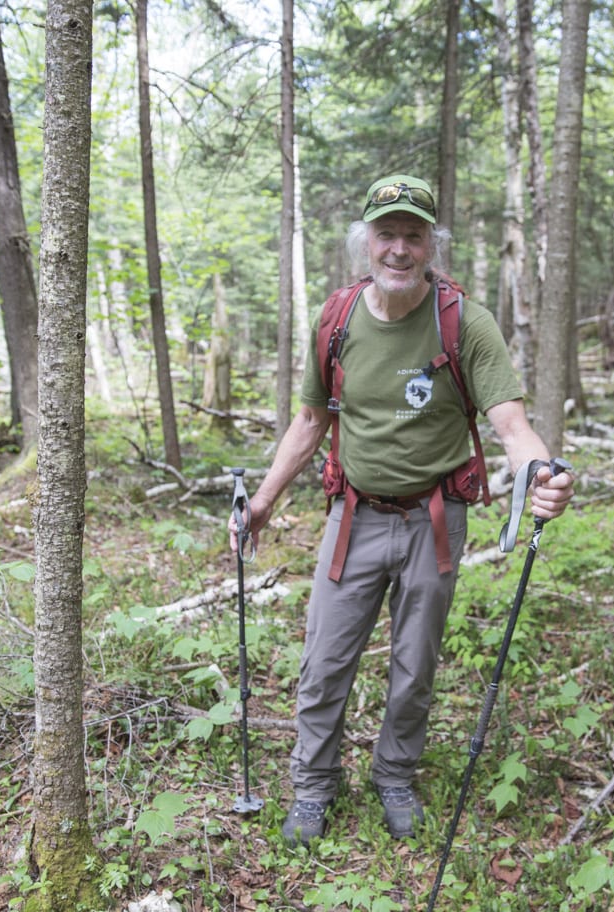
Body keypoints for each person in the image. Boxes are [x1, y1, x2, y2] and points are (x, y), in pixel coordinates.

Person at [232, 173, 574, 847]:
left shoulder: (464, 323)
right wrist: (264, 501)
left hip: (434, 521)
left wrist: (541, 473)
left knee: (415, 662)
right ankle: (313, 785)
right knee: (325, 658)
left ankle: (394, 775)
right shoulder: (336, 321)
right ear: (366, 243)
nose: (398, 250)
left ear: (430, 245)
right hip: (353, 517)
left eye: (412, 236)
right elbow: (310, 420)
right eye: (386, 235)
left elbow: (510, 424)